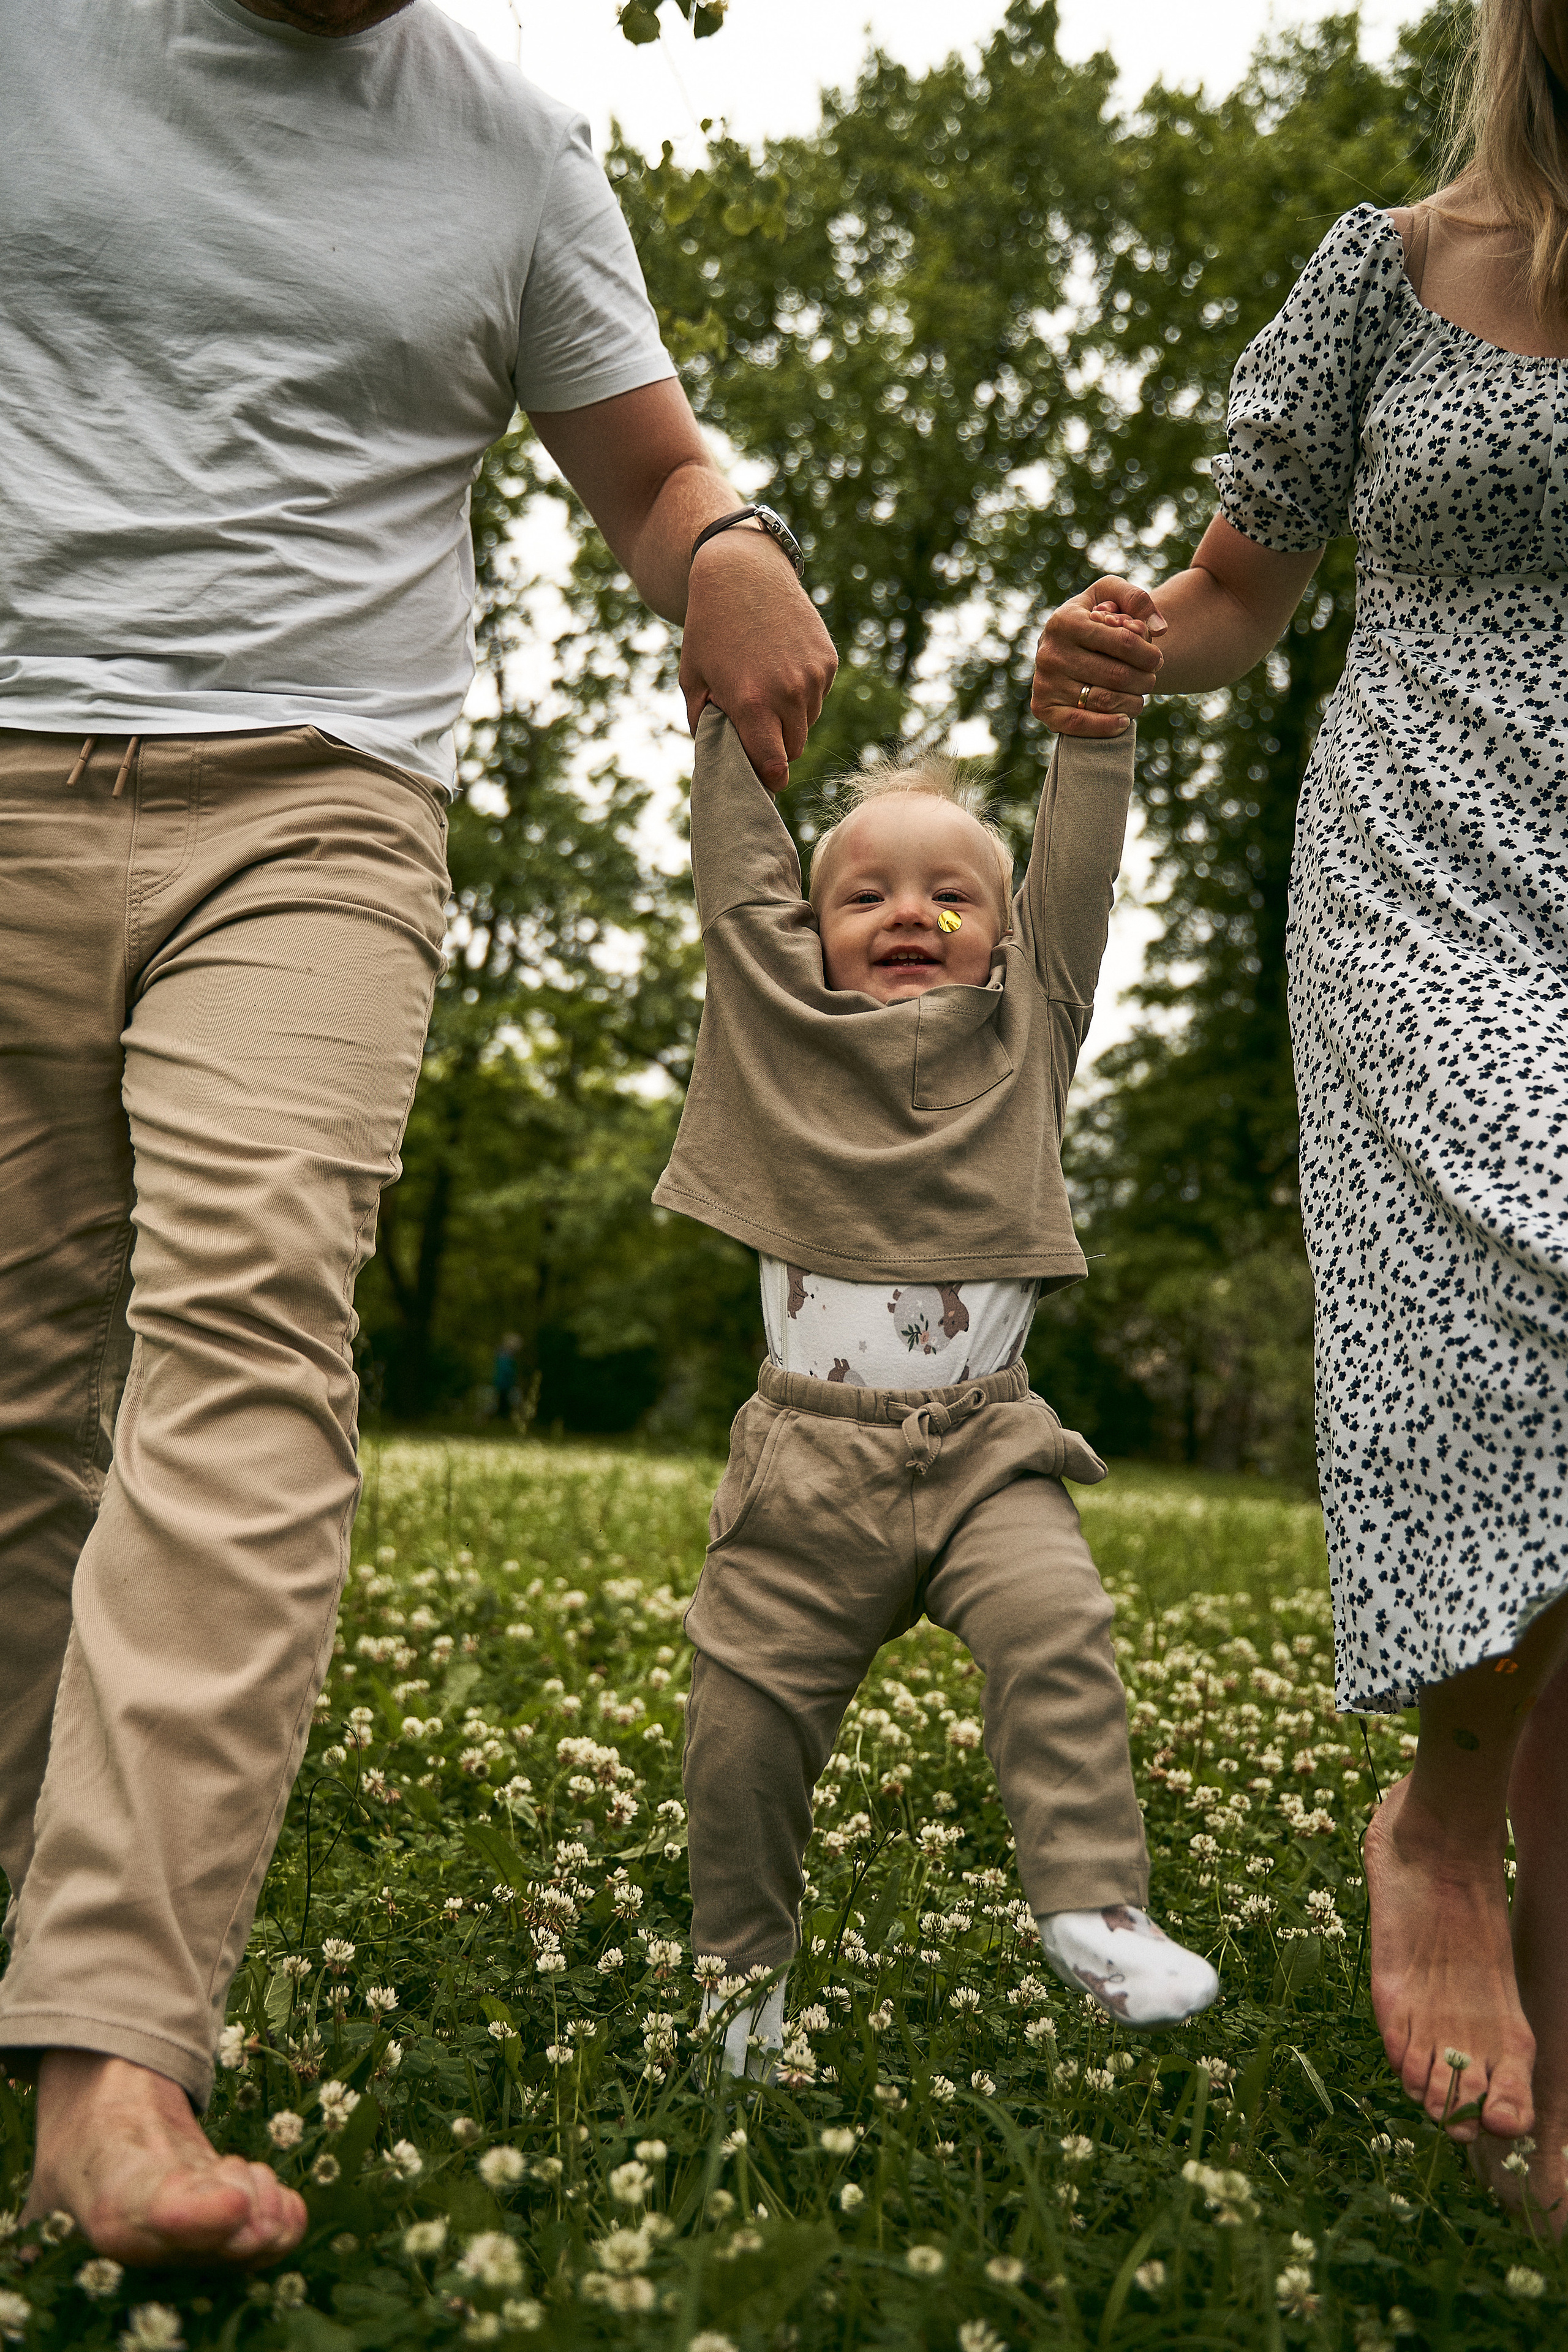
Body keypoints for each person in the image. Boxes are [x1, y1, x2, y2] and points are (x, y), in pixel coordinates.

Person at [0, 0, 835, 2266]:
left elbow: (650, 469)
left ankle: (114, 2052)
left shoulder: (513, 147)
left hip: (317, 807)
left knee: (251, 1335)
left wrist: (726, 541)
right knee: (14, 1417)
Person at [1030, 0, 1568, 2228]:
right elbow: (1241, 593)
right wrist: (1124, 644)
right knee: (1534, 1281)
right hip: (1429, 865)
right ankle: (1445, 1813)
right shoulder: (1395, 268)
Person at [654, 706, 1219, 2076]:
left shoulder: (1031, 1026)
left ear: (1006, 939)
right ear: (806, 935)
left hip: (985, 1451)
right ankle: (741, 1989)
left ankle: (1092, 1907)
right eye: (865, 895)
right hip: (804, 1466)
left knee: (1058, 1629)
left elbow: (1074, 880)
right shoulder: (775, 1026)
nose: (910, 912)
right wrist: (723, 716)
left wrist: (1096, 732)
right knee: (736, 1734)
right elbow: (736, 878)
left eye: (952, 896)